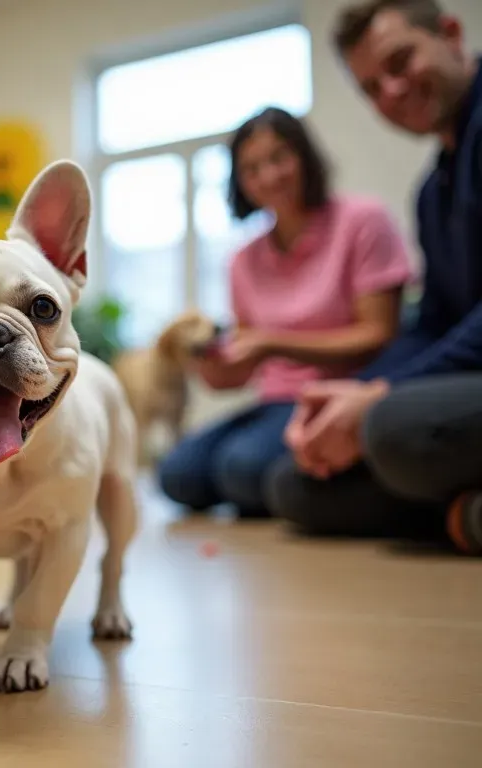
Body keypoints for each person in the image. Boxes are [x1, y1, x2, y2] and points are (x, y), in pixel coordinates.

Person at [267, 0, 482, 554]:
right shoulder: (433, 192)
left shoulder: (363, 218)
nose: (390, 91)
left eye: (401, 61)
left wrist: (381, 394)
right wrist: (353, 396)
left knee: (391, 429)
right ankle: (467, 514)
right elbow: (433, 320)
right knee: (293, 487)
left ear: (452, 35)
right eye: (370, 87)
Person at [157, 106, 413, 519]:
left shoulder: (362, 220)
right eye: (252, 168)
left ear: (304, 156)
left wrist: (271, 343)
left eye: (279, 157)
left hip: (341, 392)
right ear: (240, 181)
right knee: (176, 474)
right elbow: (245, 368)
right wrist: (212, 364)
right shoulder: (243, 260)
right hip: (273, 401)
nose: (269, 176)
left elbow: (379, 332)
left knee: (240, 468)